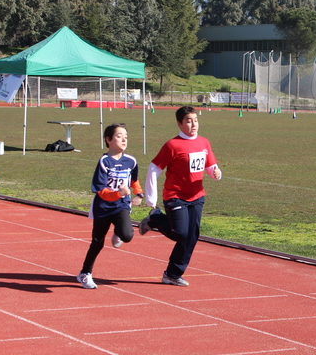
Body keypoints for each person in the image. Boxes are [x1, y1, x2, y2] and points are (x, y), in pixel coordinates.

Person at [139, 106, 222, 286]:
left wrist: (216, 173)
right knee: (180, 233)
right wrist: (151, 199)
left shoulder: (204, 142)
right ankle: (154, 218)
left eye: (195, 120)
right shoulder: (172, 145)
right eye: (188, 121)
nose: (193, 124)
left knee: (191, 236)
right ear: (179, 124)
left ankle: (172, 274)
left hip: (197, 196)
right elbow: (154, 169)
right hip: (175, 195)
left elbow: (210, 166)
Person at [77, 124, 143, 289]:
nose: (124, 139)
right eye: (119, 136)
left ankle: (118, 232)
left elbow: (133, 179)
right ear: (108, 140)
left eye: (126, 136)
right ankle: (85, 273)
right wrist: (117, 194)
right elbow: (100, 190)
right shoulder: (104, 161)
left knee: (127, 235)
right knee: (97, 242)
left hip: (121, 205)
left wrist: (139, 193)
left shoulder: (131, 161)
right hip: (103, 207)